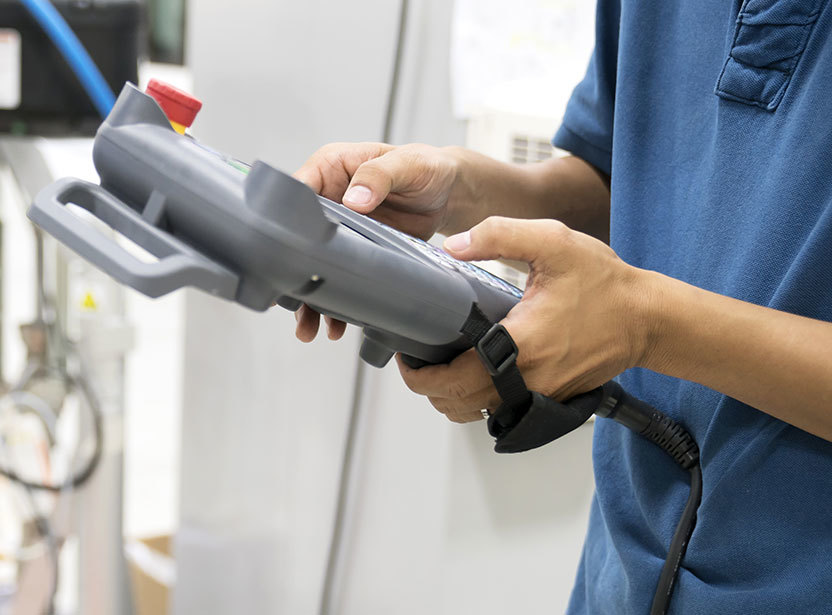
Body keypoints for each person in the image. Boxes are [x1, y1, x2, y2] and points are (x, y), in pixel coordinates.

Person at [290, 1, 832, 612]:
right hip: (625, 575)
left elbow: (643, 307)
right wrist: (464, 189)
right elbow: (617, 176)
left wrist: (645, 324)